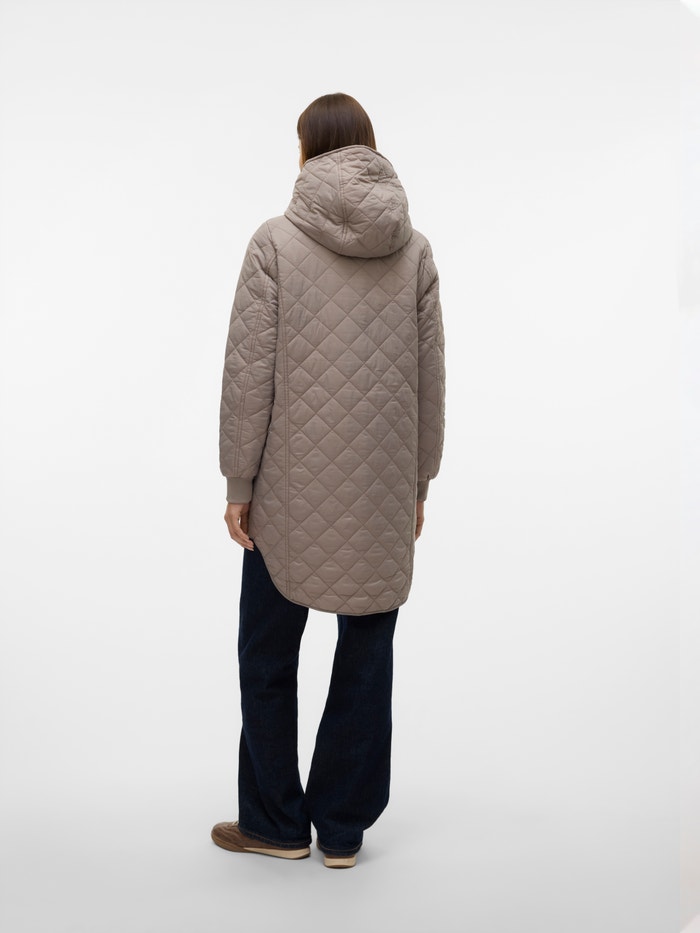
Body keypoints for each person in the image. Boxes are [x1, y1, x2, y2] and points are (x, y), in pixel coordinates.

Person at [211, 93, 446, 869]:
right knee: (367, 654)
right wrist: (419, 481)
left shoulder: (275, 242)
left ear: (307, 151)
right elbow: (430, 381)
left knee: (267, 655)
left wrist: (238, 482)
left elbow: (249, 377)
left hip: (287, 493)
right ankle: (342, 829)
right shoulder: (415, 250)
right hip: (381, 490)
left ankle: (275, 821)